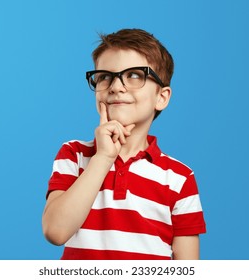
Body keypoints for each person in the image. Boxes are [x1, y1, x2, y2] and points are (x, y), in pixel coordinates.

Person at [42, 28, 206, 260]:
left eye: (135, 75)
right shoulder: (74, 155)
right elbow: (55, 231)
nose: (116, 86)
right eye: (104, 77)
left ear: (162, 97)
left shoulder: (180, 178)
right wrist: (103, 158)